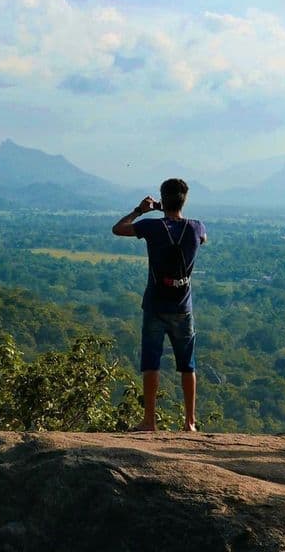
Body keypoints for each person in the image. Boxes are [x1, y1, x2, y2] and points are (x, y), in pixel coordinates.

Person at [112, 178, 207, 432]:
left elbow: (118, 228)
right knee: (188, 364)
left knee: (151, 362)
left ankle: (149, 421)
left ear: (162, 200)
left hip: (155, 305)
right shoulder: (196, 228)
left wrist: (141, 210)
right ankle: (190, 422)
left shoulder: (152, 227)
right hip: (183, 308)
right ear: (184, 200)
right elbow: (204, 238)